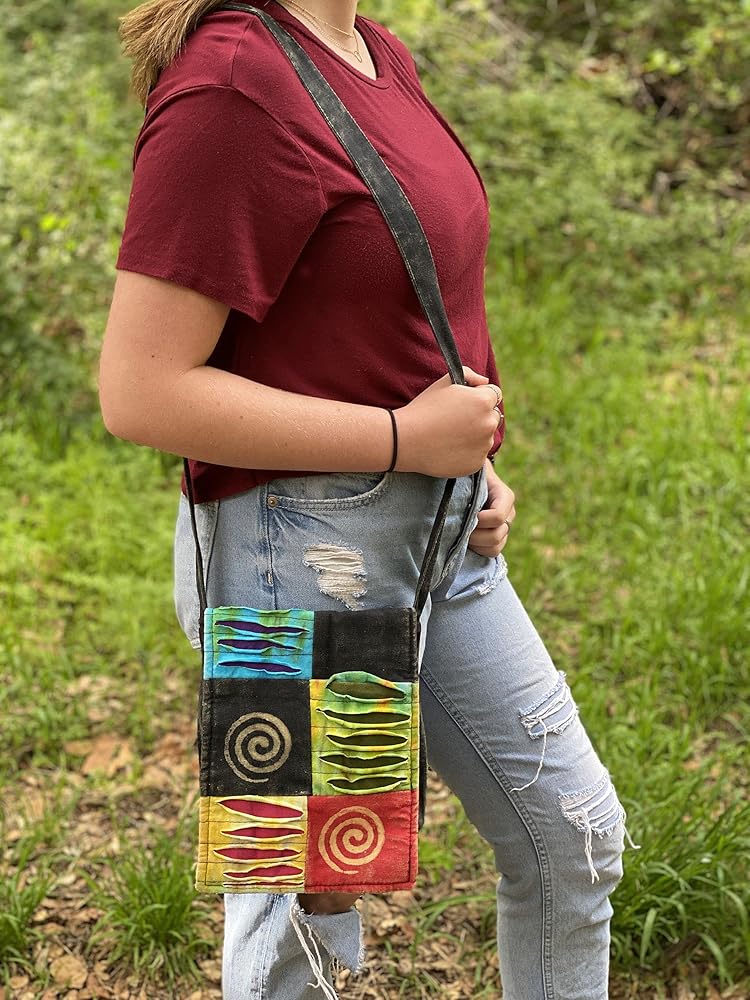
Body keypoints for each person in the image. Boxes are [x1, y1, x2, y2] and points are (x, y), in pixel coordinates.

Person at [99, 0, 638, 996]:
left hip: (438, 536)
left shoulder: (372, 50)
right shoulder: (233, 84)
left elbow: (400, 297)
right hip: (300, 559)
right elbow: (142, 390)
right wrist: (402, 438)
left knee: (572, 836)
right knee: (307, 919)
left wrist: (468, 462)